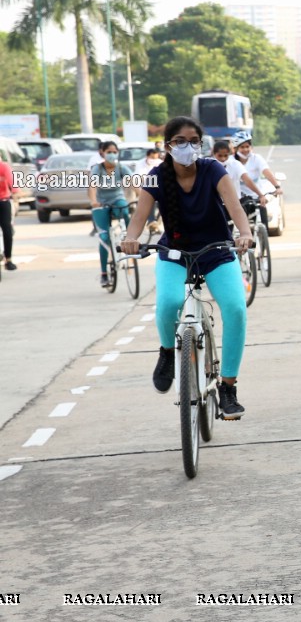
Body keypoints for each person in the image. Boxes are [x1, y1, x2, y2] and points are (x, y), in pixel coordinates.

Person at [120, 116, 254, 420]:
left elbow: (235, 206)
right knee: (168, 304)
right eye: (180, 141)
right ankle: (168, 352)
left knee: (235, 309)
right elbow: (139, 217)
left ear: (202, 143)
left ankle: (228, 388)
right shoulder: (156, 176)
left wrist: (244, 233)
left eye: (194, 141)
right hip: (175, 252)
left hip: (217, 250)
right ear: (168, 146)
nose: (188, 146)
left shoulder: (213, 169)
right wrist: (130, 239)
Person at [88, 141, 134, 288]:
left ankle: (129, 237)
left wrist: (142, 198)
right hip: (101, 203)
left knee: (124, 209)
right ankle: (104, 273)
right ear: (102, 153)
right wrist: (94, 201)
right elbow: (92, 186)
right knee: (104, 237)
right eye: (109, 151)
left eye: (115, 151)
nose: (112, 154)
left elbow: (134, 183)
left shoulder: (121, 167)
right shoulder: (97, 169)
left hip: (117, 198)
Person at [0, 158, 15, 271]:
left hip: (3, 201)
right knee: (7, 229)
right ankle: (7, 260)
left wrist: (15, 191)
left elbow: (12, 182)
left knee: (7, 230)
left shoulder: (3, 167)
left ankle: (8, 259)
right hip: (4, 202)